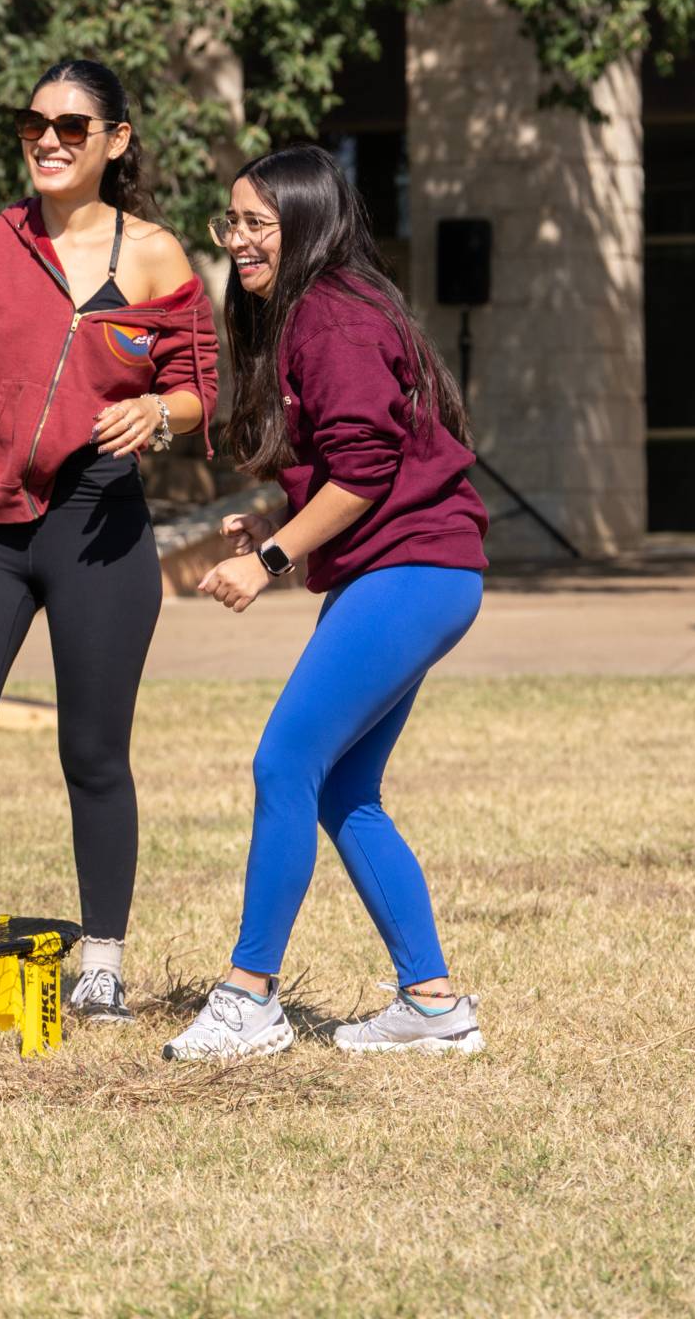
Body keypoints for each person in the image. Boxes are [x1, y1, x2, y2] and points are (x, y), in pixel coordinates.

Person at [0, 58, 216, 1025]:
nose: (50, 140)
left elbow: (202, 389)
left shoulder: (155, 256)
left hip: (98, 525)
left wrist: (156, 410)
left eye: (73, 126)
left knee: (94, 754)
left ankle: (100, 960)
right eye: (35, 124)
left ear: (116, 140)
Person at [164, 145, 489, 1061]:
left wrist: (269, 558)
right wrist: (273, 511)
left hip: (412, 572)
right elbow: (357, 468)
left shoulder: (332, 320)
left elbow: (369, 470)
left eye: (258, 224)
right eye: (232, 223)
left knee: (284, 764)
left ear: (308, 224)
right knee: (344, 788)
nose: (239, 241)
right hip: (416, 570)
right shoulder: (319, 314)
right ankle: (431, 1006)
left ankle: (249, 997)